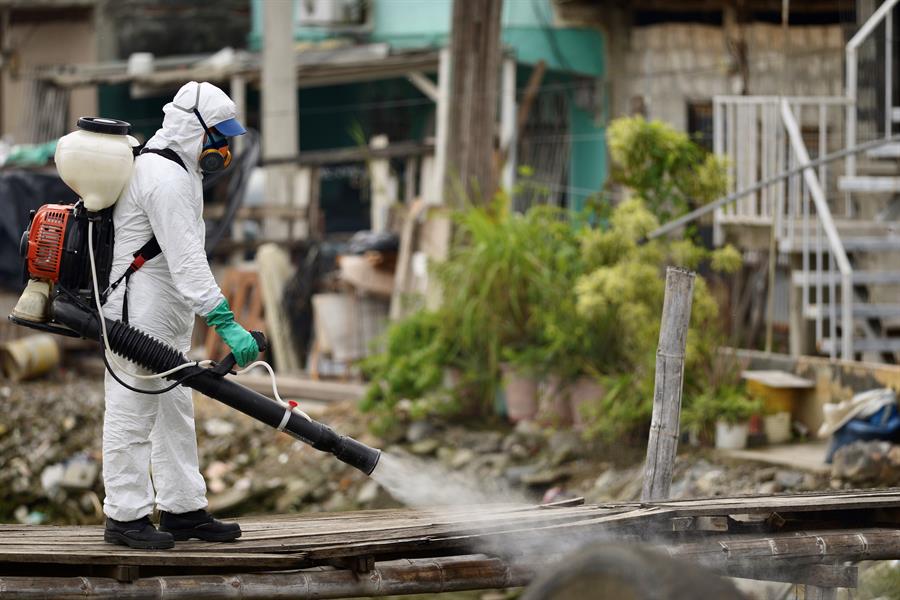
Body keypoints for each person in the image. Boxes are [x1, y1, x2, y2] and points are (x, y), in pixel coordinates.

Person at [102, 81, 258, 550]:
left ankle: (183, 509)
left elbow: (182, 264)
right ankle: (124, 517)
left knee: (174, 410)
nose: (224, 147)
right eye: (219, 135)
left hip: (164, 313)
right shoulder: (163, 176)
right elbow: (188, 261)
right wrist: (225, 322)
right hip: (138, 314)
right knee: (132, 412)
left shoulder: (181, 168)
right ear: (194, 129)